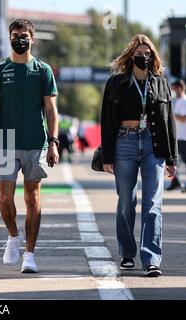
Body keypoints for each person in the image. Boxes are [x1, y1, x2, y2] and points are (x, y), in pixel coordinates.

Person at [0, 19, 59, 274]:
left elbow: (51, 109)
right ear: (10, 38)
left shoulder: (42, 70)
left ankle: (29, 254)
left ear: (33, 39)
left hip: (34, 144)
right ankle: (13, 236)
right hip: (4, 142)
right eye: (16, 35)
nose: (20, 39)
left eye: (25, 35)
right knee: (4, 197)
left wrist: (54, 143)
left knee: (32, 197)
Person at [101, 34, 178, 277]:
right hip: (125, 141)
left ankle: (151, 258)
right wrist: (107, 155)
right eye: (138, 52)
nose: (142, 56)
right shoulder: (117, 82)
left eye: (147, 53)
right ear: (130, 55)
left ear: (153, 56)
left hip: (153, 145)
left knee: (153, 203)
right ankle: (127, 253)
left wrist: (172, 158)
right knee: (126, 201)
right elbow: (106, 119)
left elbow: (170, 122)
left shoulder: (160, 83)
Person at [166, 79, 186, 192]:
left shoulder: (184, 100)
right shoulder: (178, 101)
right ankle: (176, 181)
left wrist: (171, 113)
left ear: (179, 88)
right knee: (173, 160)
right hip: (177, 136)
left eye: (174, 88)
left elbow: (184, 118)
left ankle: (177, 182)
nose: (172, 90)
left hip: (183, 137)